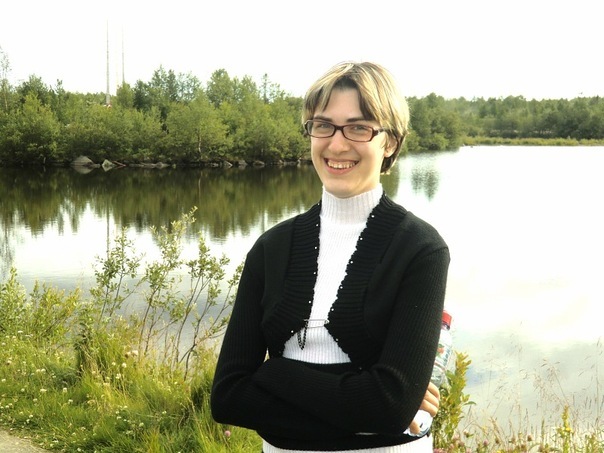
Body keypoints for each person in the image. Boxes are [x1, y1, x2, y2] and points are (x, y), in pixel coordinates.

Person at [211, 61, 450, 452]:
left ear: (390, 142)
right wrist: (365, 404)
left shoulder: (420, 249)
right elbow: (228, 397)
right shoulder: (270, 248)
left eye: (358, 128)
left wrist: (274, 374)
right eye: (323, 125)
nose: (337, 145)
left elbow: (390, 407)